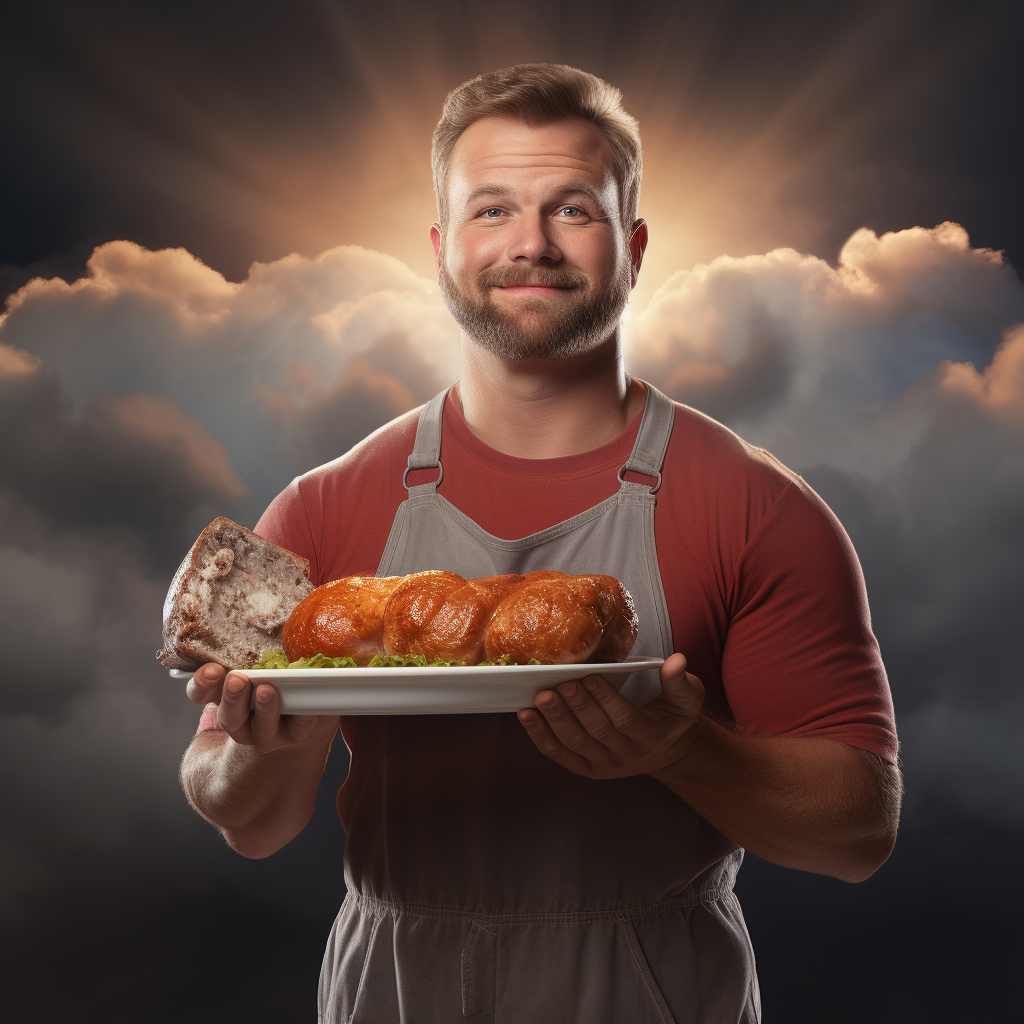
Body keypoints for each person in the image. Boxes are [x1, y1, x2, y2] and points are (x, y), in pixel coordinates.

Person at [180, 63, 900, 1023]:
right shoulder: (323, 509)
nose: (530, 245)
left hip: (647, 987)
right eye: (491, 211)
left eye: (573, 210)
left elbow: (857, 833)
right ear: (440, 249)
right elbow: (248, 821)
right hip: (395, 983)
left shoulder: (754, 507)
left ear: (633, 248)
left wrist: (683, 751)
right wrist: (271, 748)